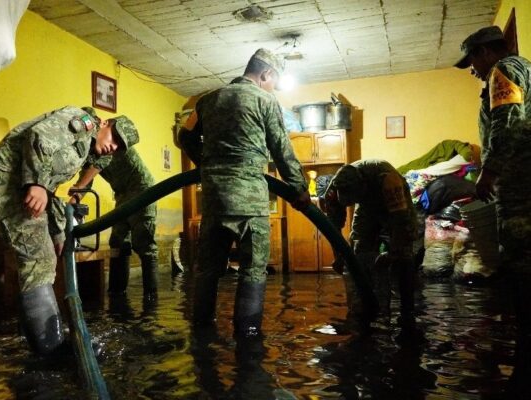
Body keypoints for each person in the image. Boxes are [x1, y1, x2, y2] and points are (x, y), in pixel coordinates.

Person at [0, 106, 132, 357]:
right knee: (38, 258)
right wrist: (36, 183)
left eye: (120, 147)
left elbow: (58, 187)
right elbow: (40, 137)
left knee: (46, 255)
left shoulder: (87, 149)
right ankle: (50, 349)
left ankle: (40, 336)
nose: (114, 146)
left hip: (21, 183)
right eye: (115, 138)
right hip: (6, 179)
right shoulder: (82, 123)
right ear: (105, 123)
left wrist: (59, 235)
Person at [178, 48, 311, 338]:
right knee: (252, 270)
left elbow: (184, 137)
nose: (272, 87)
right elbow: (281, 149)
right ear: (266, 74)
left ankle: (201, 333)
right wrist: (299, 189)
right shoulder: (265, 100)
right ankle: (248, 336)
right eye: (273, 82)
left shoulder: (207, 99)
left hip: (214, 198)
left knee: (208, 270)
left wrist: (206, 164)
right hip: (249, 200)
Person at [455, 25, 531, 396]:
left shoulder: (505, 70)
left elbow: (507, 122)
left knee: (521, 265)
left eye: (472, 59)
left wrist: (490, 171)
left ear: (486, 52)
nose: (473, 69)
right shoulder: (523, 69)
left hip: (520, 188)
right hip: (520, 182)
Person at [69, 116, 159, 299]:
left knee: (144, 244)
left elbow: (100, 163)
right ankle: (117, 292)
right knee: (118, 242)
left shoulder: (111, 143)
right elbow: (88, 176)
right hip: (121, 192)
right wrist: (74, 200)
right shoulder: (90, 143)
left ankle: (151, 297)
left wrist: (78, 190)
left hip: (142, 189)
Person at [325, 159, 418, 324]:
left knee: (404, 254)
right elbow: (333, 229)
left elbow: (400, 223)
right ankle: (364, 306)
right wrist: (338, 256)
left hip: (393, 205)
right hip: (367, 205)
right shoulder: (334, 191)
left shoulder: (389, 179)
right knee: (358, 247)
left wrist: (392, 254)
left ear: (362, 187)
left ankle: (407, 312)